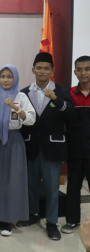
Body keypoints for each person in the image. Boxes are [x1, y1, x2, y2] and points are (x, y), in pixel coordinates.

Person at [16, 53, 74, 240]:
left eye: (46, 68)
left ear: (52, 71)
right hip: (30, 146)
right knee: (31, 185)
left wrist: (56, 99)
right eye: (38, 68)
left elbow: (71, 115)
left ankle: (51, 222)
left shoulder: (62, 92)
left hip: (53, 148)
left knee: (51, 188)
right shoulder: (23, 93)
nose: (42, 71)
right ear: (33, 69)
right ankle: (33, 214)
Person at [0, 64, 36, 236]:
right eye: (2, 77)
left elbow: (30, 120)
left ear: (15, 78)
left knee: (13, 180)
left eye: (9, 76)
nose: (5, 80)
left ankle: (7, 220)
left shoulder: (21, 96)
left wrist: (16, 108)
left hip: (14, 140)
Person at [62, 55, 90, 234]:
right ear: (74, 72)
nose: (83, 73)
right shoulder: (69, 94)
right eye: (79, 69)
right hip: (75, 151)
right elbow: (64, 124)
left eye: (87, 69)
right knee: (73, 187)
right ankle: (72, 221)